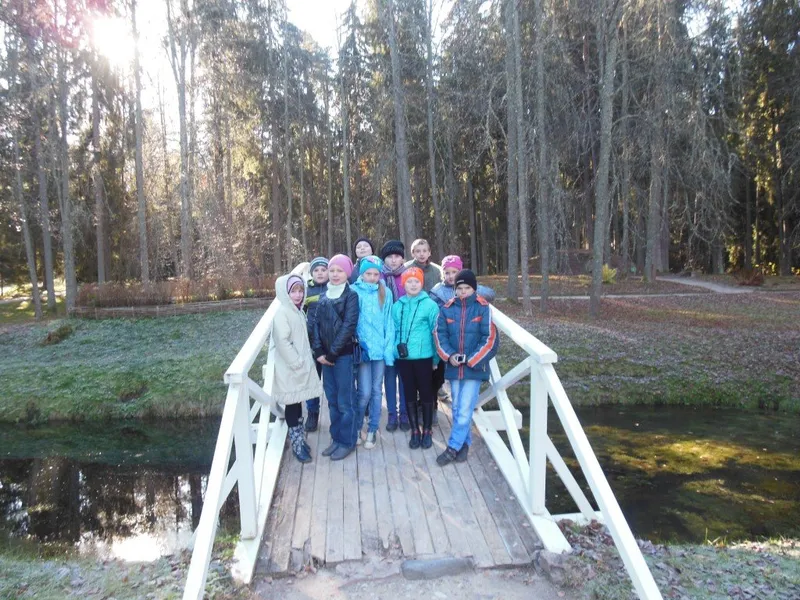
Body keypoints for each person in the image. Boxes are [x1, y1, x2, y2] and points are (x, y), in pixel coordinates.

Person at [433, 269, 498, 466]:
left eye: (467, 288)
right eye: (459, 288)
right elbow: (439, 335)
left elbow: (490, 339)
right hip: (454, 367)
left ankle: (453, 447)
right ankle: (465, 444)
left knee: (464, 408)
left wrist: (472, 359)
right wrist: (449, 356)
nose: (463, 292)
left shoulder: (483, 308)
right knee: (457, 408)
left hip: (474, 368)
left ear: (474, 289)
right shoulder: (447, 308)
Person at [429, 255, 497, 409]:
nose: (451, 276)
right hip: (448, 334)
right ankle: (441, 390)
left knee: (465, 392)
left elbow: (490, 293)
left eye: (454, 272)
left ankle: (468, 403)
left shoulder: (470, 291)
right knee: (443, 369)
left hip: (468, 338)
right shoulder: (437, 291)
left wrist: (471, 288)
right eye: (447, 272)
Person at [269, 274, 324, 463]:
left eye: (301, 291)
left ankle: (300, 439)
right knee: (292, 406)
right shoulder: (283, 312)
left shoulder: (297, 311)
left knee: (297, 403)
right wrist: (296, 362)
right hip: (290, 368)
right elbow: (282, 341)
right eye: (293, 291)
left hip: (297, 367)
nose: (298, 295)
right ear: (285, 293)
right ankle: (297, 444)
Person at [311, 254, 360, 461]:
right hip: (325, 358)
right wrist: (319, 352)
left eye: (339, 271)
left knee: (345, 401)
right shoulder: (323, 296)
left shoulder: (351, 296)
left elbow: (348, 326)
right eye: (332, 270)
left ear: (347, 273)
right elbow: (315, 325)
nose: (335, 274)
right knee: (332, 400)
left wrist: (332, 353)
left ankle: (347, 441)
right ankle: (336, 438)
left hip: (342, 356)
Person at [392, 267, 440, 450]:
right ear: (403, 284)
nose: (413, 285)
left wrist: (435, 359)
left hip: (424, 356)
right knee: (409, 392)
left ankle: (427, 430)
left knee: (426, 392)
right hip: (404, 358)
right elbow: (394, 330)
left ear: (422, 283)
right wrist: (395, 352)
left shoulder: (430, 305)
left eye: (417, 281)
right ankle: (414, 430)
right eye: (409, 281)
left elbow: (435, 333)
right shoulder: (397, 306)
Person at [351, 255, 395, 449]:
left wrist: (388, 350)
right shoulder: (353, 291)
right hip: (363, 351)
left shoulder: (385, 292)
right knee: (364, 393)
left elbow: (389, 323)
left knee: (377, 391)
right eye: (368, 273)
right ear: (361, 274)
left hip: (380, 350)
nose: (372, 277)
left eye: (376, 274)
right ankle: (357, 427)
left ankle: (372, 429)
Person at [380, 240, 409, 432]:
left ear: (402, 258)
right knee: (389, 375)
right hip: (385, 333)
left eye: (397, 256)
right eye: (389, 256)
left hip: (405, 333)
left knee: (404, 376)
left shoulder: (409, 276)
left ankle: (404, 413)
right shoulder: (378, 277)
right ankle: (392, 414)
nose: (393, 260)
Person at [302, 256, 328, 432]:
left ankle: (337, 413)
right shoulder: (306, 290)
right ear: (311, 273)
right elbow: (299, 312)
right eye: (316, 270)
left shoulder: (334, 286)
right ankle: (312, 413)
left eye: (323, 270)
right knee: (312, 380)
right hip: (311, 343)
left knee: (332, 383)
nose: (320, 273)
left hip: (330, 343)